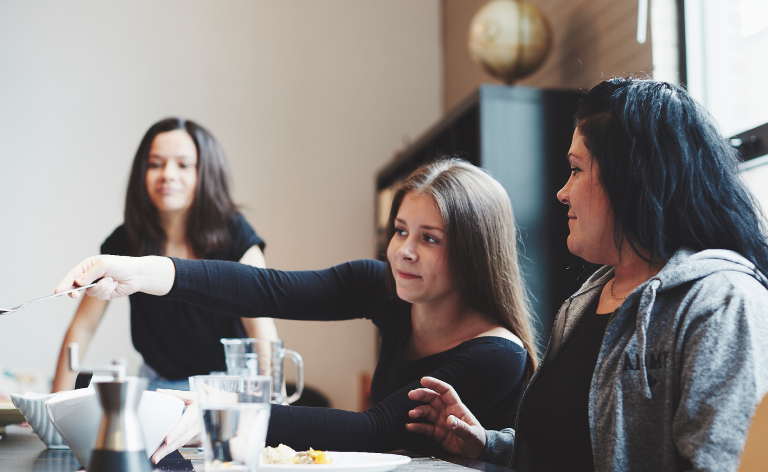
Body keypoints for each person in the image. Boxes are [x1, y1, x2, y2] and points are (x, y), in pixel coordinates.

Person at [405, 78, 768, 472]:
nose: (563, 192)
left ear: (631, 175)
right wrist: (489, 445)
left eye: (576, 170)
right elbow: (574, 444)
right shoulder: (585, 301)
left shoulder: (725, 306)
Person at [53, 158, 539, 461]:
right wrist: (140, 273)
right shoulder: (383, 286)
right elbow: (267, 289)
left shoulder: (497, 353)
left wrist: (224, 412)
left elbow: (378, 429)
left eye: (429, 238)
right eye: (400, 230)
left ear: (474, 251)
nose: (403, 251)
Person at [52, 118, 278, 393]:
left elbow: (261, 333)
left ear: (206, 172)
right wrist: (54, 405)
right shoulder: (125, 240)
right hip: (156, 388)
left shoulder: (236, 235)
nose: (167, 174)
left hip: (227, 391)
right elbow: (83, 328)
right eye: (155, 164)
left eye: (183, 165)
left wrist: (269, 404)